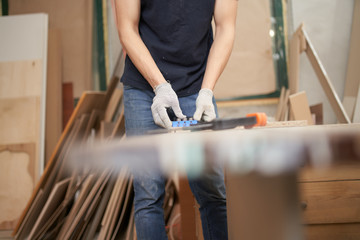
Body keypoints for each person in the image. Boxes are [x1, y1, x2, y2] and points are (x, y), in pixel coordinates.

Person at [114, 0, 237, 239]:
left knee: (212, 191)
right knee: (148, 195)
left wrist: (207, 91)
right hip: (144, 88)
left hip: (196, 86)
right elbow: (126, 29)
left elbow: (225, 28)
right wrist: (160, 86)